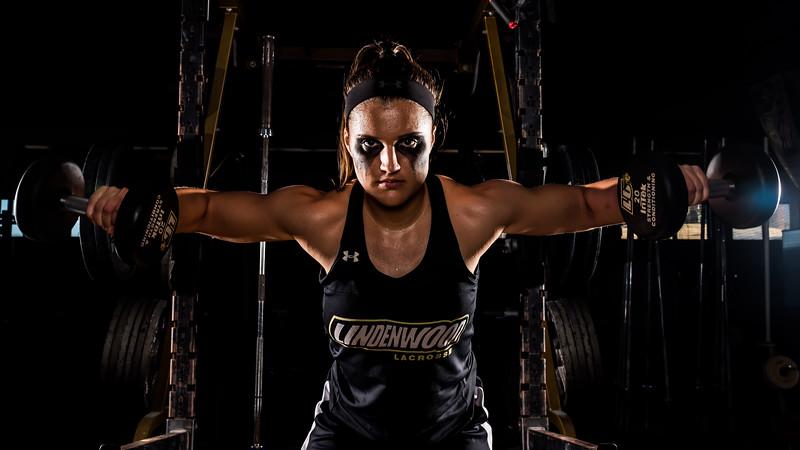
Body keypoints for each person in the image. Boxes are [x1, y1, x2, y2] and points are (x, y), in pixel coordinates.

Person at [87, 40, 709, 449]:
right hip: (344, 432)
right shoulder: (323, 219)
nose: (389, 164)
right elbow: (206, 209)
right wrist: (136, 205)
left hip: (454, 434)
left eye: (409, 145)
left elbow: (585, 204)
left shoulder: (472, 213)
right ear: (348, 141)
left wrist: (661, 189)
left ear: (433, 135)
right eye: (370, 147)